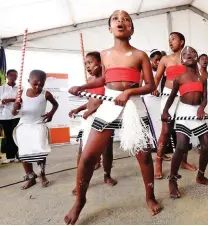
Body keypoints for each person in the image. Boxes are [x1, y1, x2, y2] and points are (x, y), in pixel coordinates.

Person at [65, 10, 162, 224]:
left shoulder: (140, 55)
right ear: (110, 28)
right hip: (109, 105)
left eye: (126, 19)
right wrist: (82, 86)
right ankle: (80, 201)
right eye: (116, 19)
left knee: (144, 156)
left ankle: (150, 196)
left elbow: (150, 86)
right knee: (88, 156)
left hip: (133, 104)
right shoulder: (104, 54)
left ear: (132, 29)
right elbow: (102, 80)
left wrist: (128, 92)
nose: (121, 21)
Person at [162, 46, 208, 199]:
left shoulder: (202, 77)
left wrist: (202, 108)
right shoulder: (179, 77)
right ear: (181, 60)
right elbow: (172, 97)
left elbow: (204, 98)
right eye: (184, 54)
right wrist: (165, 111)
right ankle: (172, 180)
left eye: (192, 52)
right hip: (183, 112)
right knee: (181, 146)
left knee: (206, 146)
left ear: (196, 56)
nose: (188, 55)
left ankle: (201, 176)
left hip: (197, 112)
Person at [68, 51, 117, 196]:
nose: (87, 66)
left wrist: (92, 111)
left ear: (100, 62)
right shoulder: (89, 82)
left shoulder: (108, 81)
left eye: (90, 62)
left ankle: (107, 175)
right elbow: (91, 100)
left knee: (106, 150)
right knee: (82, 149)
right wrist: (80, 108)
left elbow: (105, 101)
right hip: (89, 119)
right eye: (85, 64)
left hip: (105, 117)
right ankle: (80, 182)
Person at [153, 32, 196, 180]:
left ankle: (183, 161)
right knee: (166, 131)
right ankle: (158, 162)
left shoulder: (189, 58)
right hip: (168, 96)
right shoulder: (165, 59)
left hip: (185, 95)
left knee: (185, 130)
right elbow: (157, 77)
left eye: (173, 39)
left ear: (182, 41)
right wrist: (155, 87)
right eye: (169, 40)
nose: (170, 42)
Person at [12, 70, 59, 189]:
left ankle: (42, 174)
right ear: (29, 81)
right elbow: (14, 113)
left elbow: (56, 105)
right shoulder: (21, 93)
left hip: (38, 125)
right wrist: (15, 107)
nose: (38, 86)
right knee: (24, 153)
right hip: (24, 125)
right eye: (35, 84)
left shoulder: (46, 94)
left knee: (40, 151)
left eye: (41, 84)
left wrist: (51, 114)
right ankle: (31, 177)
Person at [141, 49, 171, 160]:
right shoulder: (145, 70)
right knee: (155, 127)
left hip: (159, 100)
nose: (158, 62)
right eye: (156, 60)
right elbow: (140, 86)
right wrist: (149, 90)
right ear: (150, 60)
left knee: (160, 126)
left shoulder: (162, 71)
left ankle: (160, 151)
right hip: (149, 100)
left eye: (160, 60)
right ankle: (160, 154)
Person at [0, 69, 20, 162]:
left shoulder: (20, 88)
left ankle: (19, 155)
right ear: (7, 76)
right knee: (8, 135)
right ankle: (10, 156)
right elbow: (1, 102)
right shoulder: (2, 88)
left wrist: (10, 100)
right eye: (11, 75)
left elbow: (22, 100)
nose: (13, 77)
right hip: (5, 116)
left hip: (17, 115)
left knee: (16, 135)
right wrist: (4, 101)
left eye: (15, 75)